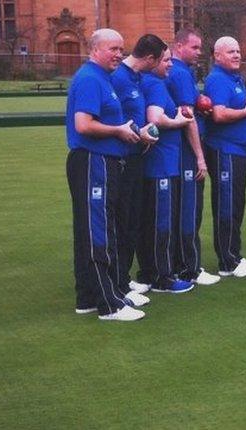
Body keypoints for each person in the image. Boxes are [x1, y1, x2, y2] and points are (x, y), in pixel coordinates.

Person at [66, 29, 144, 321]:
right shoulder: (89, 78)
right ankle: (109, 304)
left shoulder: (104, 79)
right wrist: (118, 131)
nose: (118, 54)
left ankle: (88, 297)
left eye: (121, 49)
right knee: (99, 231)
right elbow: (84, 125)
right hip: (92, 162)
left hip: (104, 162)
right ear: (94, 49)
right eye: (112, 48)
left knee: (94, 230)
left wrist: (134, 132)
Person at [137, 49, 195, 294]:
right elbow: (156, 119)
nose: (171, 64)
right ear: (153, 61)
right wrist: (181, 122)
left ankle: (149, 273)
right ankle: (163, 276)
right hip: (161, 164)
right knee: (162, 222)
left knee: (153, 221)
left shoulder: (149, 82)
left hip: (161, 162)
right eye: (167, 60)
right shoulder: (156, 84)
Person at [110, 34, 164, 299]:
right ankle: (117, 282)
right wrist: (137, 132)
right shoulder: (119, 77)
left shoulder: (137, 78)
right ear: (151, 58)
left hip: (137, 158)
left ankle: (123, 278)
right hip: (122, 159)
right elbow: (113, 117)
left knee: (132, 220)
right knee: (123, 221)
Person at [166, 28, 220, 284]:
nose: (199, 52)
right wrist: (200, 156)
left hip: (179, 151)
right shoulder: (178, 72)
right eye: (195, 47)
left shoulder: (181, 72)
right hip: (185, 153)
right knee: (189, 209)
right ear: (179, 46)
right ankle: (190, 268)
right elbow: (188, 119)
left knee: (184, 208)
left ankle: (179, 264)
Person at [203, 36, 246, 277]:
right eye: (230, 52)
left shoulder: (234, 78)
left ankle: (233, 255)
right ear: (217, 56)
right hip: (224, 150)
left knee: (236, 204)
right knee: (227, 205)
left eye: (238, 51)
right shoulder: (217, 79)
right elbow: (219, 114)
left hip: (238, 151)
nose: (237, 55)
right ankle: (228, 261)